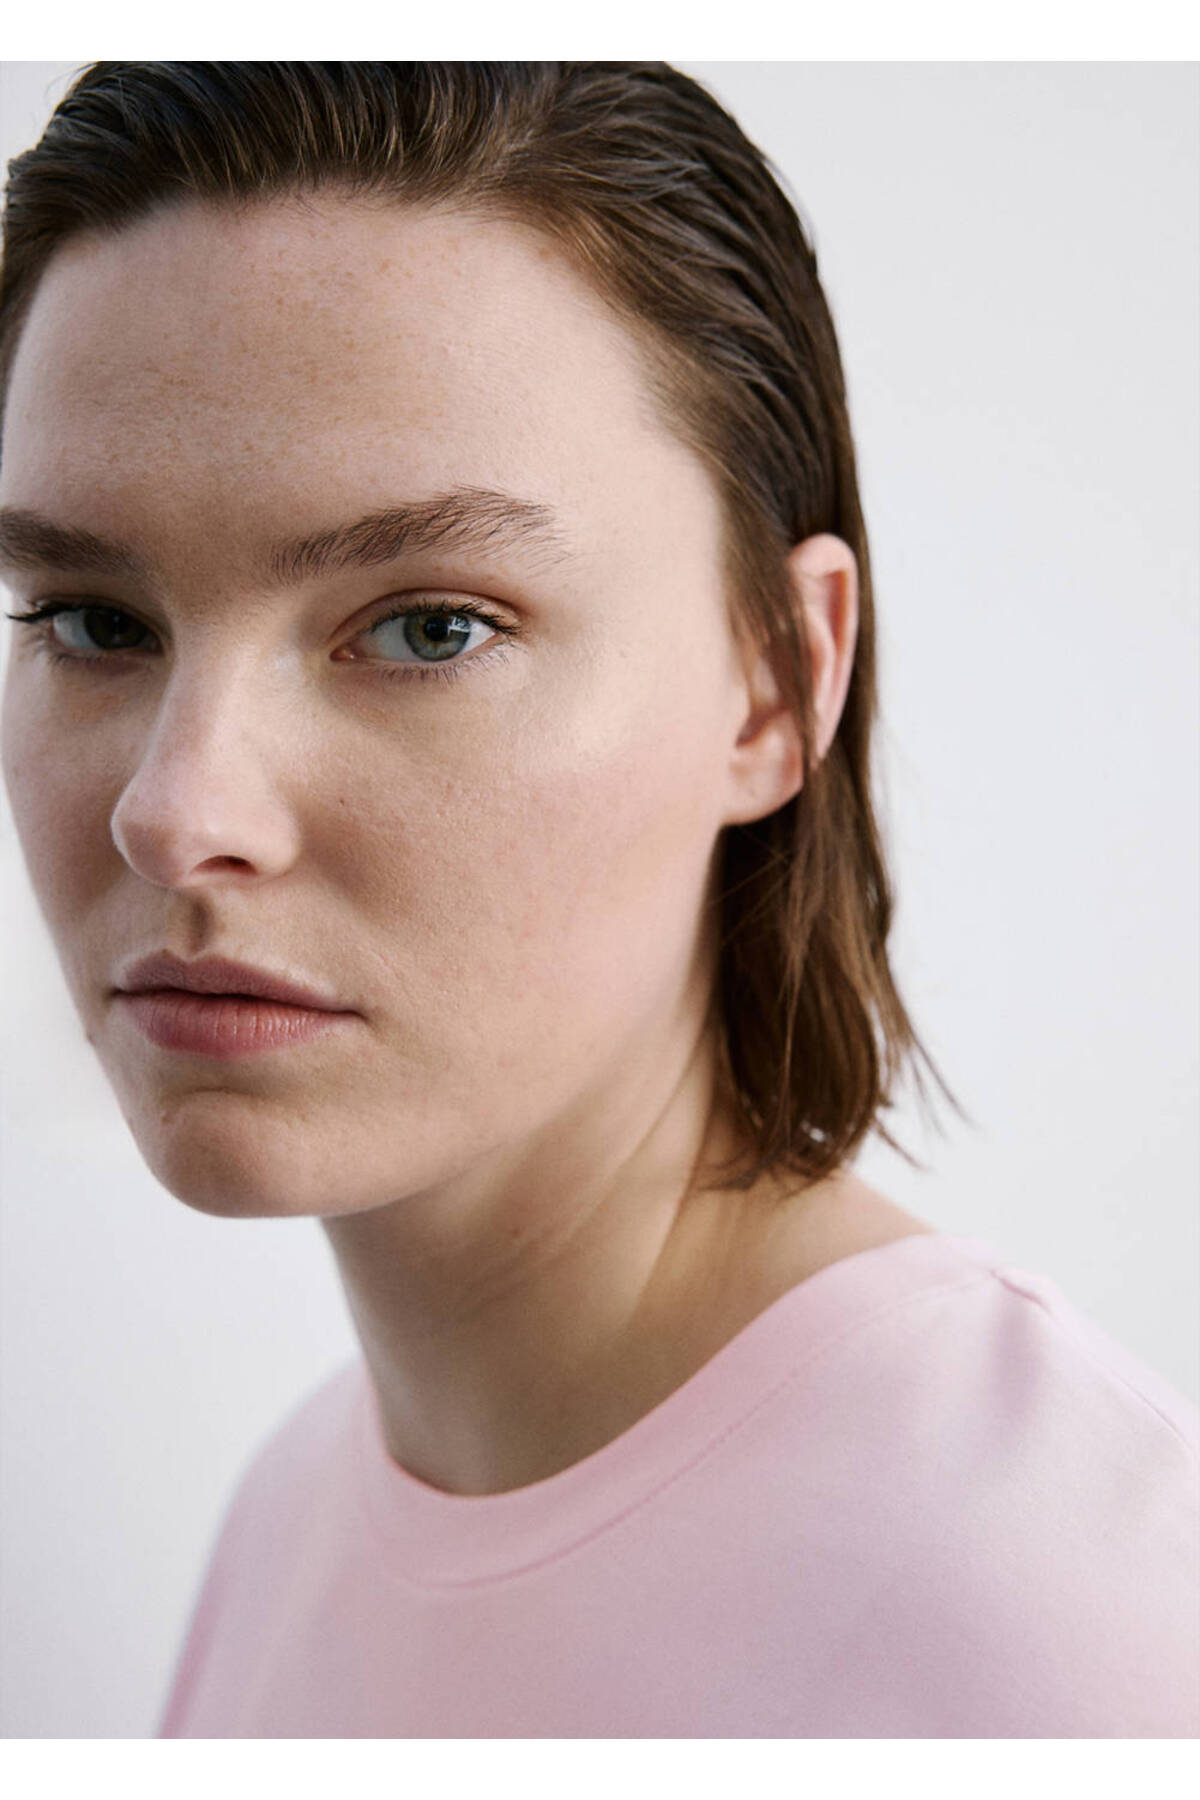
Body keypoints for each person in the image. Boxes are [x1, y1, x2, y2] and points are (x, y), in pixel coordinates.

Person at [0, 61, 1195, 1740]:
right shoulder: (291, 1524)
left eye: (430, 627)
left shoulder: (1067, 1617)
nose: (175, 811)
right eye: (93, 621)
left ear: (777, 680)